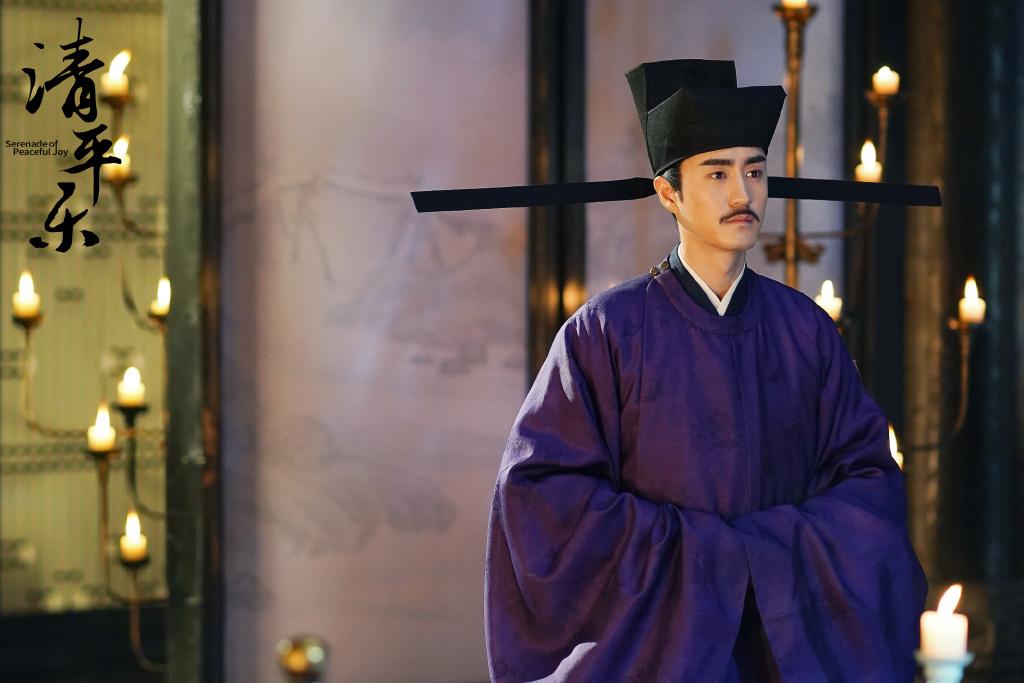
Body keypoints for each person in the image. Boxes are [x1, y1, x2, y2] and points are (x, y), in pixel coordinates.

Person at [483, 60, 928, 681]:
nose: (742, 195)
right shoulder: (605, 332)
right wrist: (713, 555)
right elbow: (544, 497)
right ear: (668, 193)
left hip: (780, 649)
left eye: (755, 171)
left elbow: (868, 485)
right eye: (717, 174)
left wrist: (760, 555)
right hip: (658, 653)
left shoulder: (805, 330)